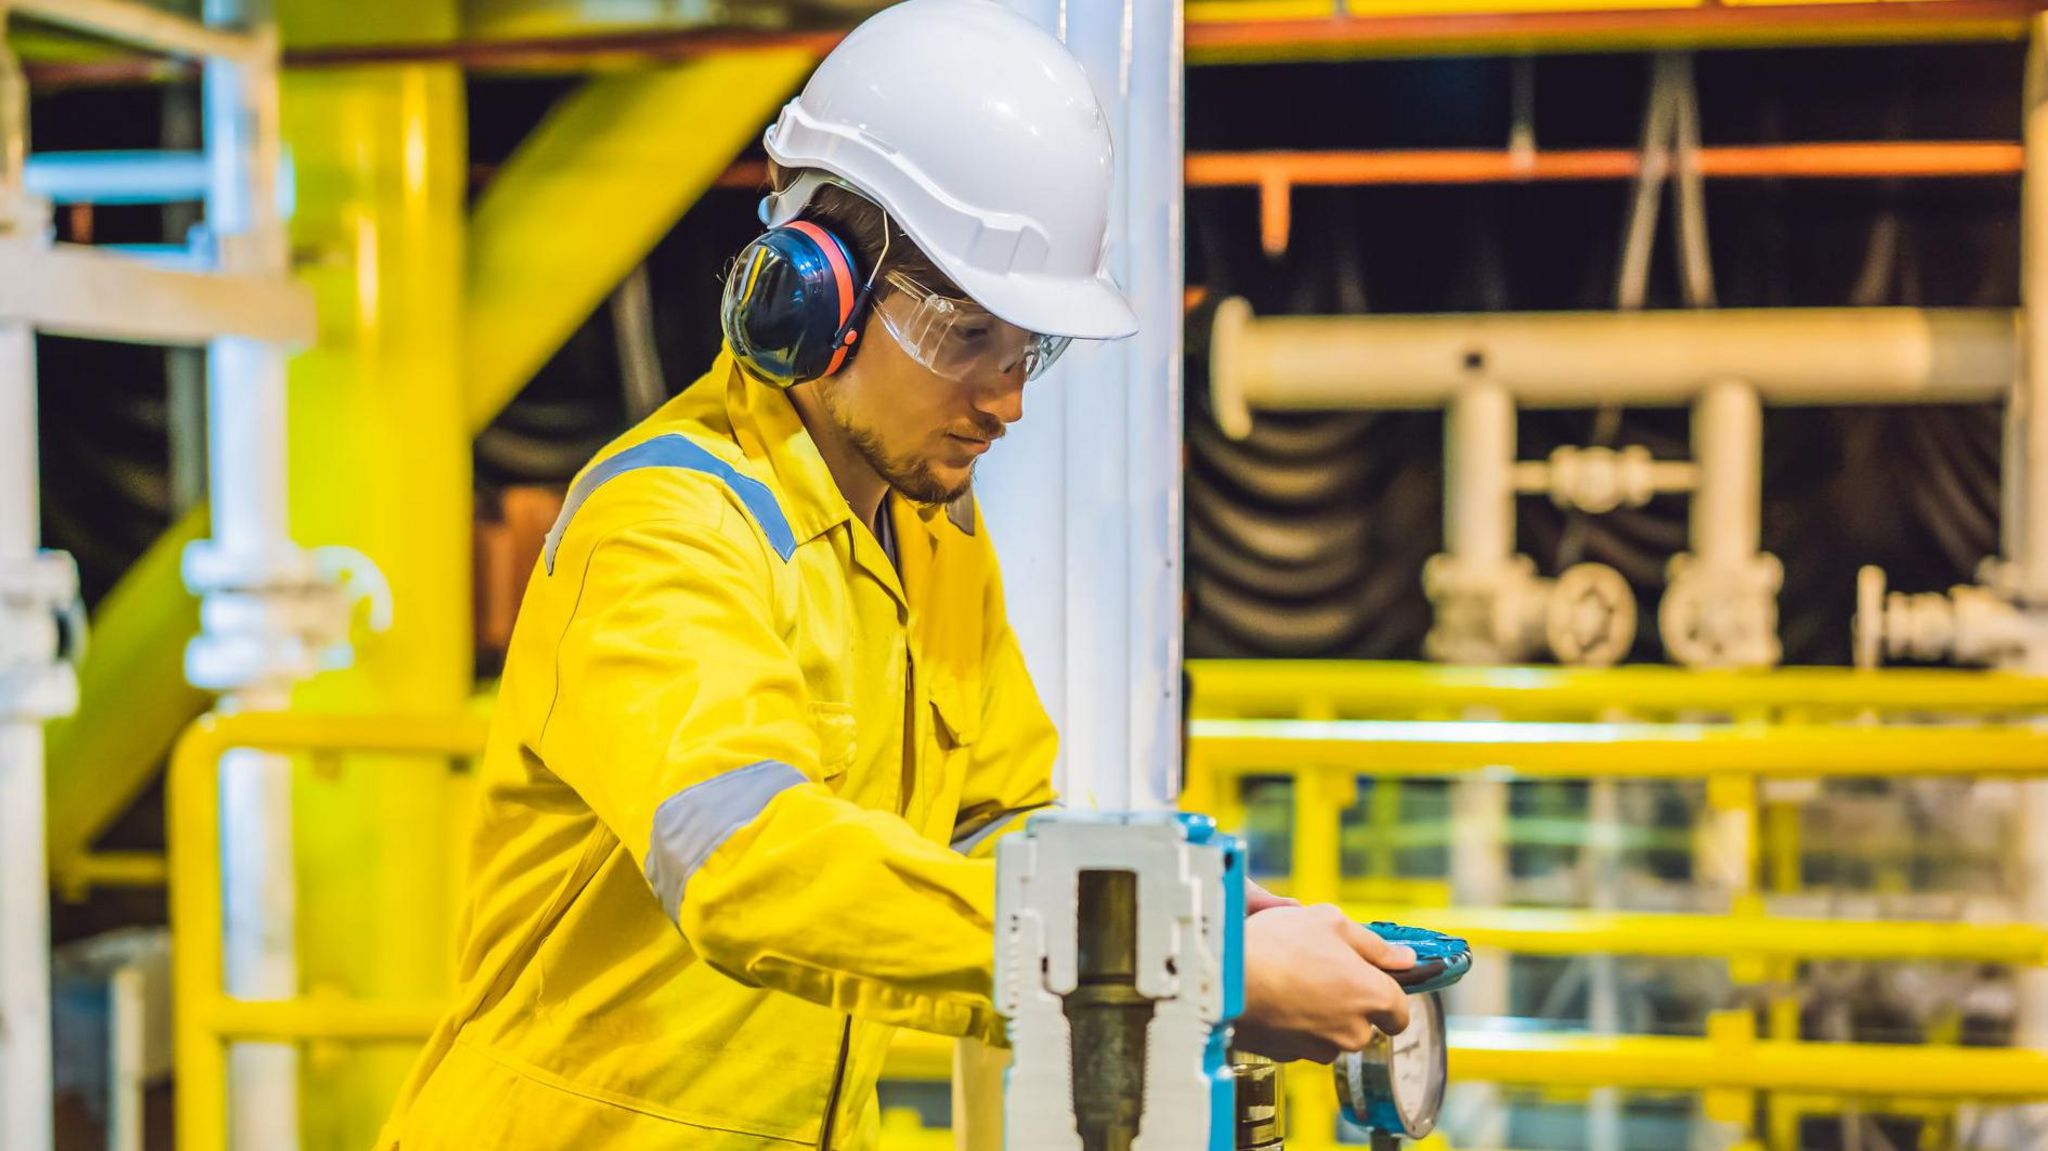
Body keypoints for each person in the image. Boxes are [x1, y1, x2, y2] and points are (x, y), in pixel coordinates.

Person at [378, 2, 1413, 1147]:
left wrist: (1187, 921)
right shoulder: (669, 524)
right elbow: (749, 867)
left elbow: (988, 825)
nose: (1007, 399)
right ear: (808, 295)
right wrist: (1200, 963)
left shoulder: (930, 527)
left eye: (1028, 350)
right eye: (968, 336)